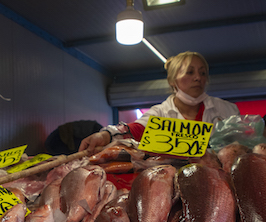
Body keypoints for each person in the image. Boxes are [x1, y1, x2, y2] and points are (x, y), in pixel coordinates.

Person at [78, 51, 239, 154]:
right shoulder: (161, 113)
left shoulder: (226, 110)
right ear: (172, 80)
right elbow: (136, 128)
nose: (198, 78)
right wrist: (105, 135)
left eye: (203, 73)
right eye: (190, 72)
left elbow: (246, 142)